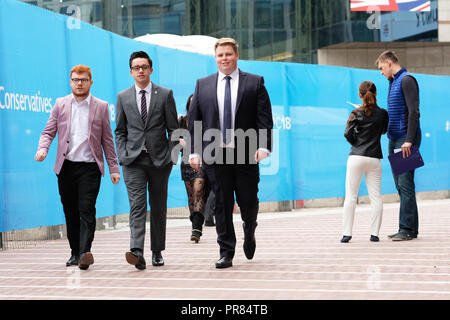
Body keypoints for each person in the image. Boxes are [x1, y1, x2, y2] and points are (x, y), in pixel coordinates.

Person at [188, 38, 273, 269]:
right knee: (222, 204)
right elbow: (194, 121)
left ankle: (250, 228)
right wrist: (194, 151)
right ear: (215, 58)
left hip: (246, 152)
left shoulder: (254, 83)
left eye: (228, 54)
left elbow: (264, 117)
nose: (224, 58)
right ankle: (226, 251)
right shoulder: (202, 85)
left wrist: (264, 146)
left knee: (247, 200)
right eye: (220, 55)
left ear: (236, 55)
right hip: (216, 155)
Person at [35, 65, 121, 270]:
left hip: (90, 167)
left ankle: (85, 252)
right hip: (66, 167)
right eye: (75, 80)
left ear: (91, 82)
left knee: (86, 209)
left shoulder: (100, 106)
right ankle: (75, 252)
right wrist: (43, 149)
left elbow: (107, 141)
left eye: (83, 80)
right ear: (70, 82)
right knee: (70, 211)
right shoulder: (60, 104)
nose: (79, 83)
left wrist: (114, 168)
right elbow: (48, 132)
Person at [115, 51, 178, 269]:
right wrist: (123, 154)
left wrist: (172, 157)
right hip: (133, 161)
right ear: (131, 72)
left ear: (151, 69)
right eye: (136, 67)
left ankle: (157, 251)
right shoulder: (123, 97)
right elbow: (120, 130)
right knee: (137, 205)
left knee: (158, 206)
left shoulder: (165, 94)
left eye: (144, 67)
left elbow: (174, 130)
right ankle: (137, 251)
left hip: (160, 161)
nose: (140, 70)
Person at [376, 50, 421, 241]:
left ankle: (406, 229)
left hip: (405, 140)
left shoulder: (406, 80)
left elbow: (414, 112)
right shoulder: (392, 83)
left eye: (380, 68)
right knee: (401, 185)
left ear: (388, 63)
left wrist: (409, 140)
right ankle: (410, 228)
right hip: (394, 139)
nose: (380, 72)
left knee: (405, 184)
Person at [342, 81, 389, 243]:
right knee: (376, 197)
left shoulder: (356, 112)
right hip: (374, 158)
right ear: (376, 94)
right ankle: (374, 234)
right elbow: (383, 131)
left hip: (356, 156)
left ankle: (347, 234)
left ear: (360, 95)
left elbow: (347, 134)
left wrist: (357, 141)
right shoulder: (383, 114)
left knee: (350, 196)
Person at [178, 94, 208, 243]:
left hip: (201, 161)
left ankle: (197, 228)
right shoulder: (182, 120)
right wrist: (179, 142)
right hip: (185, 161)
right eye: (191, 103)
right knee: (191, 196)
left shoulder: (205, 121)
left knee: (198, 192)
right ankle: (195, 224)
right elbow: (174, 139)